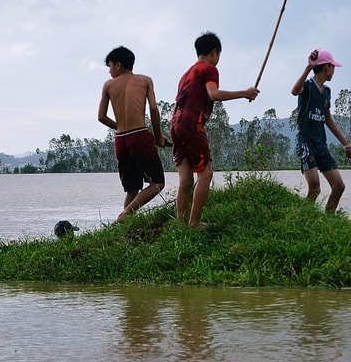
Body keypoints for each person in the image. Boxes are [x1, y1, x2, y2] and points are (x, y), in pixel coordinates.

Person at [171, 31, 259, 229]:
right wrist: (245, 93)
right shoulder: (209, 69)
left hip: (176, 124)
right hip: (192, 124)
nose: (218, 60)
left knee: (185, 180)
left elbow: (178, 104)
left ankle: (181, 225)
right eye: (218, 55)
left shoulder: (186, 73)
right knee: (206, 173)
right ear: (213, 53)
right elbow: (213, 94)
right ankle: (194, 223)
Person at [98, 46, 168, 223]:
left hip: (120, 140)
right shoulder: (145, 80)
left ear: (119, 65)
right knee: (158, 182)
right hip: (139, 135)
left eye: (110, 66)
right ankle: (124, 216)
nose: (109, 70)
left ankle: (124, 225)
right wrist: (158, 137)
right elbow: (153, 108)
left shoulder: (108, 85)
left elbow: (101, 117)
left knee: (132, 187)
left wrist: (119, 126)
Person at [290, 49, 351, 214]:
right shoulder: (308, 86)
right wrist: (308, 68)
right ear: (326, 67)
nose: (334, 71)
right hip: (306, 142)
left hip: (321, 145)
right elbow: (294, 91)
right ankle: (302, 219)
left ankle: (329, 220)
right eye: (332, 67)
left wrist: (345, 143)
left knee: (339, 186)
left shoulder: (326, 92)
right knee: (314, 187)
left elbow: (328, 119)